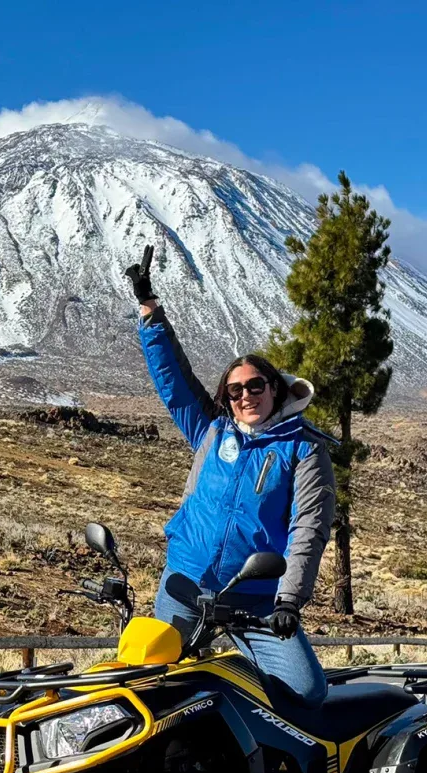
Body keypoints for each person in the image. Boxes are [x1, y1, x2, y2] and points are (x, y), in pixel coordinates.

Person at [124, 246, 336, 707]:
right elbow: (173, 380)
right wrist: (149, 309)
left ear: (276, 388)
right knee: (152, 688)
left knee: (305, 690)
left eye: (256, 386)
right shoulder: (212, 429)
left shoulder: (302, 448)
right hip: (186, 582)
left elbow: (308, 529)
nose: (245, 396)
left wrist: (288, 600)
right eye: (235, 389)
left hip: (257, 599)